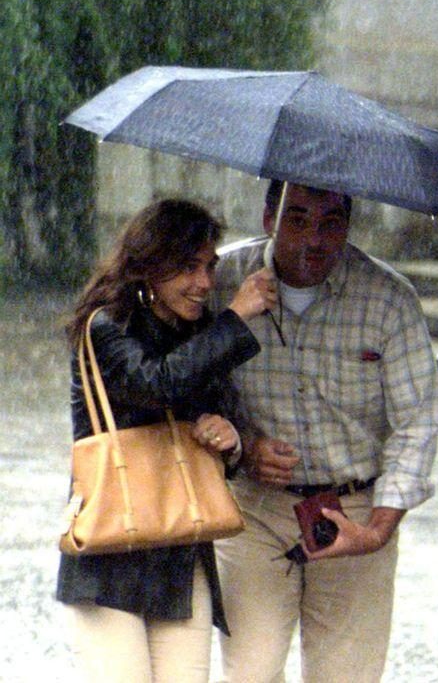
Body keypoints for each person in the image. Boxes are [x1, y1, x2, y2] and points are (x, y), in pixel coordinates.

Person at [211, 180, 438, 682]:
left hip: (354, 506)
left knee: (346, 676)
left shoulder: (388, 299)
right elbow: (188, 387)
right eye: (297, 219)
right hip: (254, 508)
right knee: (250, 671)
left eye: (330, 222)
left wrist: (377, 529)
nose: (313, 238)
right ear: (269, 218)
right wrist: (245, 449)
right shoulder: (224, 278)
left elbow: (417, 419)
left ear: (349, 226)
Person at [56, 199, 277, 682]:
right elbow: (158, 384)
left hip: (181, 544)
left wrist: (230, 438)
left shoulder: (197, 332)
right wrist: (236, 318)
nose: (203, 283)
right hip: (109, 551)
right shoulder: (106, 326)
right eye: (188, 267)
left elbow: (227, 417)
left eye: (209, 267)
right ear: (149, 264)